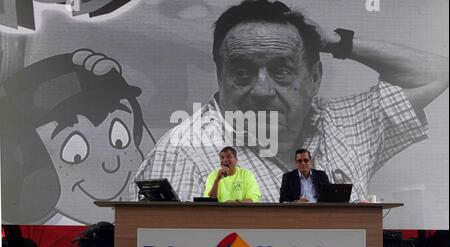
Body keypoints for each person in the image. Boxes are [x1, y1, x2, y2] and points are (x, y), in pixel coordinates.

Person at [130, 0, 449, 203]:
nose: (262, 89)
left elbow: (436, 73)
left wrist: (339, 43)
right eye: (242, 72)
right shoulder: (181, 159)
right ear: (220, 76)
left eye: (281, 71)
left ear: (314, 78)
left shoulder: (344, 126)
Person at [0, 49, 155, 225]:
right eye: (76, 154)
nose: (112, 164)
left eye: (120, 139)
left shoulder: (149, 222)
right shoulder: (38, 235)